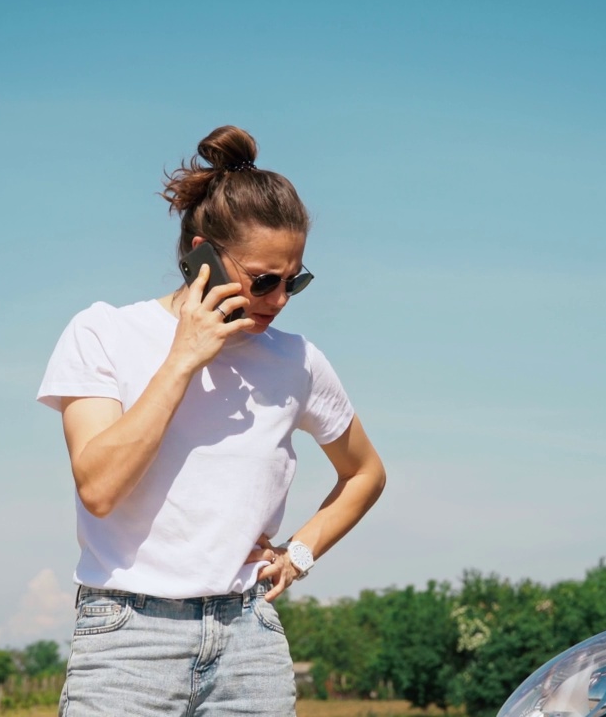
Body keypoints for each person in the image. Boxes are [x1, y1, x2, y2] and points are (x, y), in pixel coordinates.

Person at [36, 125, 387, 716]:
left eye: (294, 280)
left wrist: (299, 552)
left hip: (250, 642)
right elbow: (98, 487)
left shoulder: (297, 360)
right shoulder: (103, 333)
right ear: (201, 254)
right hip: (127, 641)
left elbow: (365, 474)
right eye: (263, 280)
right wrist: (182, 358)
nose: (278, 300)